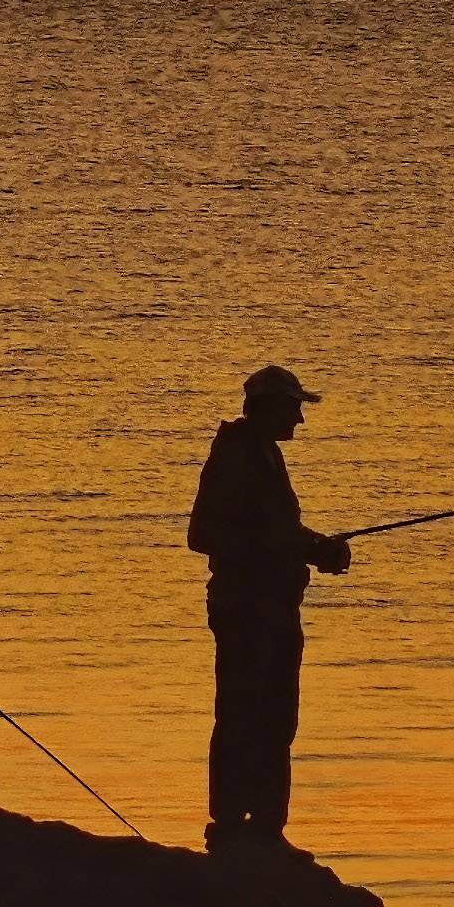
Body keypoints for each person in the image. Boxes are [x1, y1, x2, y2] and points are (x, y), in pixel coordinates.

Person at [187, 365, 352, 856]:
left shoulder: (262, 455)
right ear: (269, 408)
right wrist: (299, 546)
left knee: (275, 718)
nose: (300, 418)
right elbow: (204, 537)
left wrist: (312, 548)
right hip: (247, 614)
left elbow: (271, 531)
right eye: (294, 406)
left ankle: (264, 827)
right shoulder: (236, 458)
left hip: (271, 611)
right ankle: (237, 825)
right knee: (245, 716)